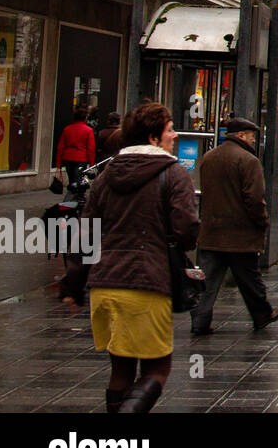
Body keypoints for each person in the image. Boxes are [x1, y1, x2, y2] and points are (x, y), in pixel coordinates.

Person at [82, 103, 199, 413]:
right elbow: (187, 227)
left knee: (120, 370)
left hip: (104, 284)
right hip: (147, 283)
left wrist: (73, 282)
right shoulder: (173, 173)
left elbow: (86, 232)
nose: (174, 135)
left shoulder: (106, 176)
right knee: (157, 369)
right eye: (170, 129)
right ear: (152, 138)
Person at [190, 118, 278, 336]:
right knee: (250, 279)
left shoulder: (209, 157)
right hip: (240, 234)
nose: (253, 139)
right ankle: (262, 314)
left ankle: (200, 321)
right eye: (251, 135)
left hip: (211, 231)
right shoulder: (248, 161)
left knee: (207, 281)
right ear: (240, 135)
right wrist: (262, 221)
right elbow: (255, 198)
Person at [55, 107, 96, 187]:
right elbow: (91, 149)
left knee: (71, 179)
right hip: (81, 158)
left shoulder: (67, 129)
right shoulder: (88, 130)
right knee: (79, 179)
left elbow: (60, 147)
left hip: (68, 158)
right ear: (85, 118)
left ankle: (71, 192)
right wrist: (91, 164)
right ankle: (77, 196)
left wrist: (58, 163)